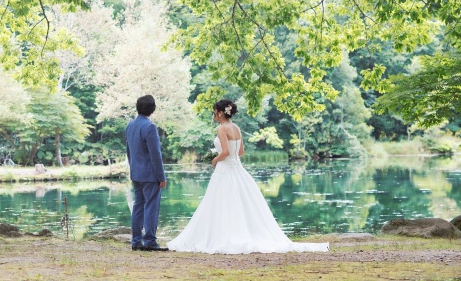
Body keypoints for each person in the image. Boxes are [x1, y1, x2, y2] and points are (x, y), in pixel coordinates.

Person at [166, 99, 329, 254]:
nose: (213, 114)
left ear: (221, 113)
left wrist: (214, 159)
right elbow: (240, 152)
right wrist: (223, 157)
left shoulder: (221, 129)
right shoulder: (236, 127)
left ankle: (223, 236)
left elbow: (226, 152)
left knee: (220, 203)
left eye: (215, 111)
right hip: (237, 169)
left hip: (224, 170)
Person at [125, 94, 168, 251]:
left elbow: (128, 152)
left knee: (138, 206)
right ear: (153, 109)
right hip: (150, 175)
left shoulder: (130, 125)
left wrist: (133, 169)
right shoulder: (149, 127)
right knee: (151, 206)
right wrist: (161, 176)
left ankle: (136, 241)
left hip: (136, 173)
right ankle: (149, 241)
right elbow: (155, 154)